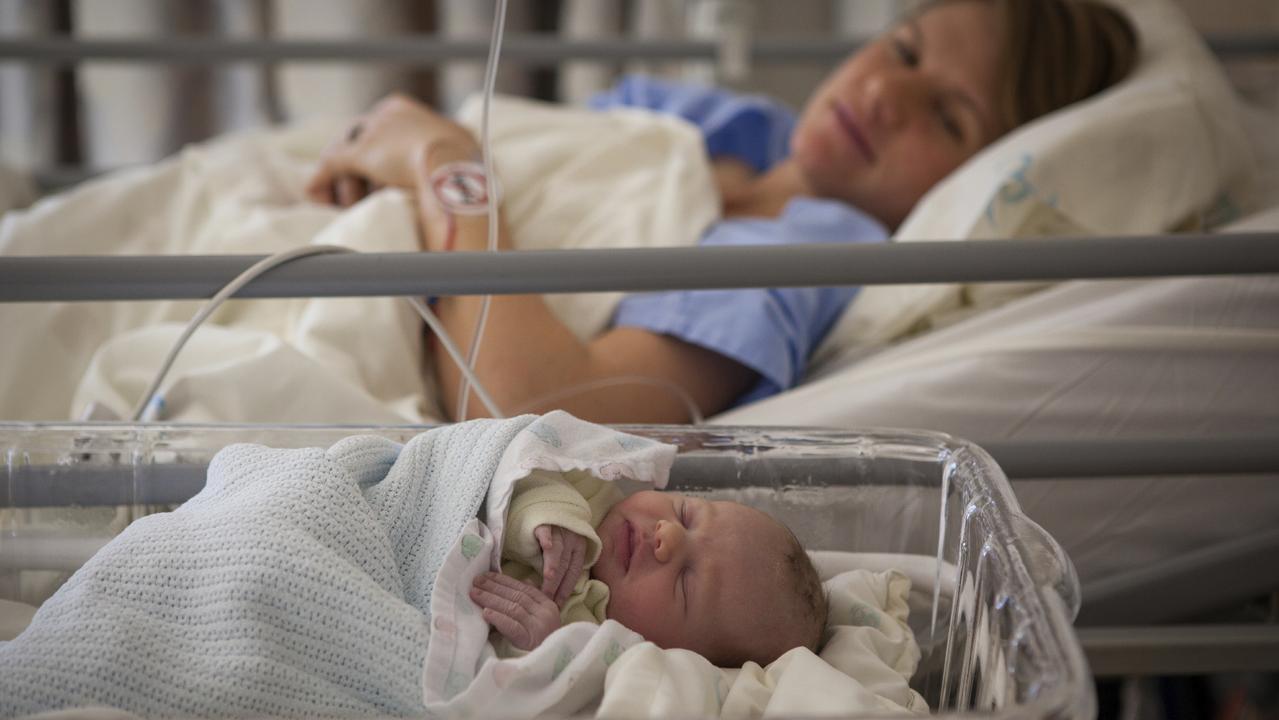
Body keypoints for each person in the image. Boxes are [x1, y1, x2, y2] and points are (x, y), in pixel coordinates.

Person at [306, 0, 1138, 425]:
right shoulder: (723, 120)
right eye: (903, 49)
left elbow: (529, 406)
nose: (884, 93)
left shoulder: (804, 258)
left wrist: (444, 166)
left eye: (947, 116)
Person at [469, 469, 825, 668]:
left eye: (686, 582)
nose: (667, 536)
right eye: (686, 515)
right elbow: (509, 468)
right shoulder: (587, 490)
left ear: (674, 655)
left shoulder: (595, 651)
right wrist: (546, 512)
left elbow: (502, 693)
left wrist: (544, 648)